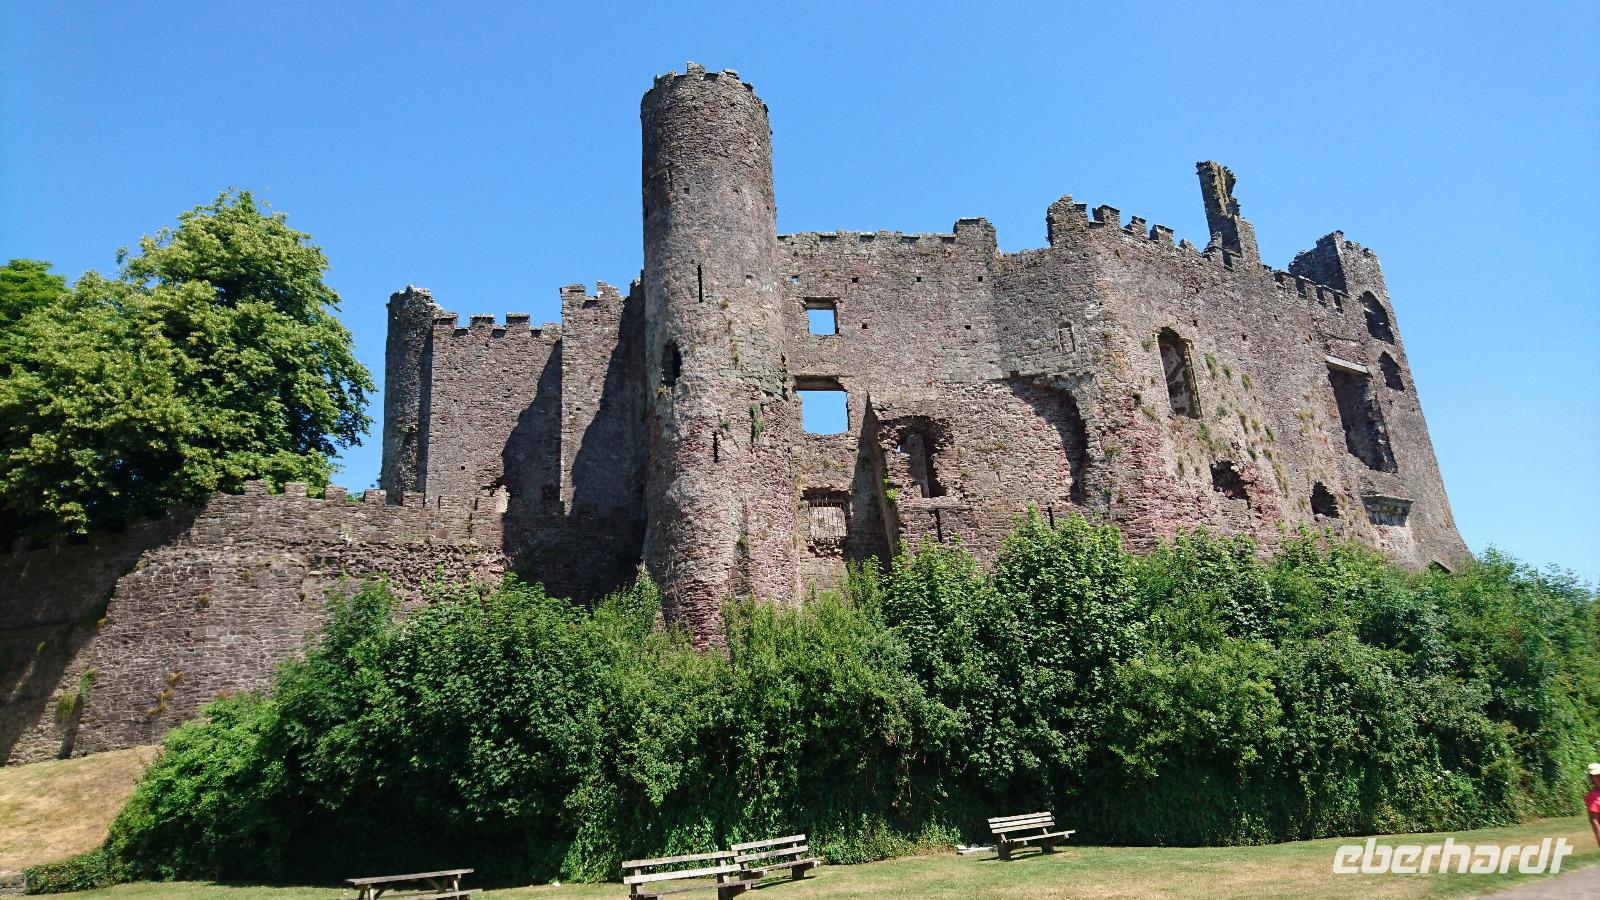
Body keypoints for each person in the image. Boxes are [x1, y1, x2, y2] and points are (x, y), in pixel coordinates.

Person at [1588, 763, 1600, 848]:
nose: (1599, 777)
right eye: (1595, 775)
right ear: (1592, 778)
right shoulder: (1593, 796)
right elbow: (1594, 821)